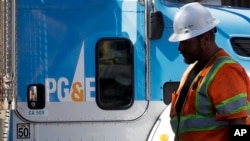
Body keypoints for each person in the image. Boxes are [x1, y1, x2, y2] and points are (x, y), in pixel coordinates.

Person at [168, 2, 250, 141]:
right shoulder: (192, 71)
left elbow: (240, 128)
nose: (180, 48)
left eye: (186, 42)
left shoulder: (226, 72)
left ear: (205, 38)